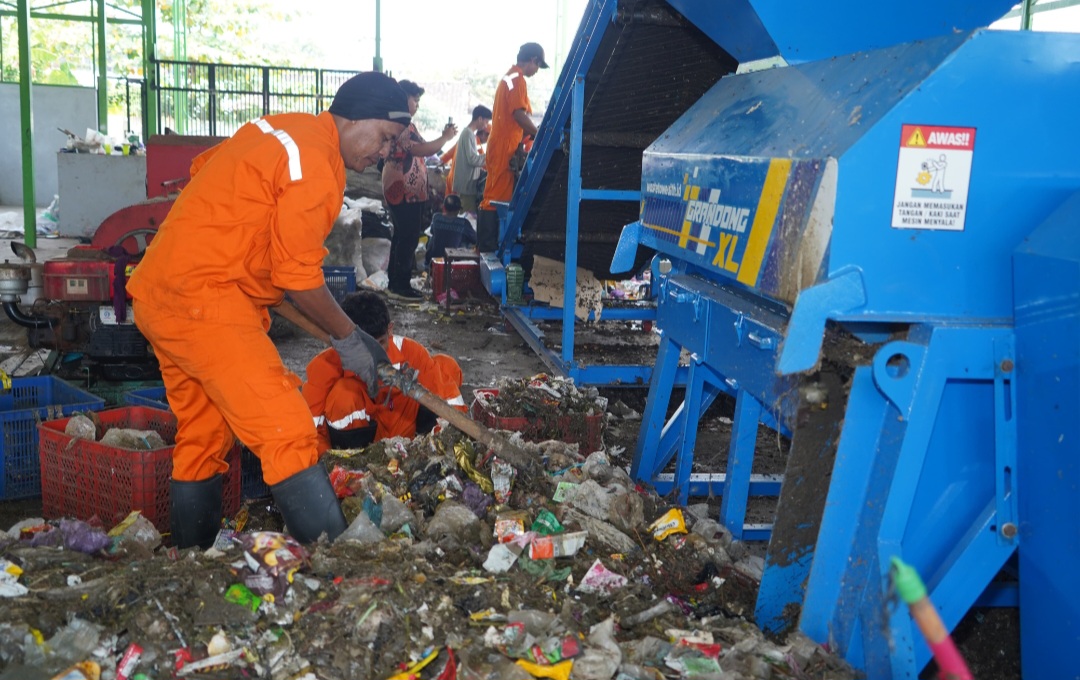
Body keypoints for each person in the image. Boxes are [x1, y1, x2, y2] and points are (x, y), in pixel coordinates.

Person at [126, 72, 412, 549]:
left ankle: (191, 560)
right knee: (285, 426)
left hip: (163, 294)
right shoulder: (316, 163)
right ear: (355, 115)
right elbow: (298, 277)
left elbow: (275, 278)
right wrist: (345, 335)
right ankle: (342, 570)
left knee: (205, 435)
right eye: (385, 138)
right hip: (205, 300)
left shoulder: (284, 130)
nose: (384, 152)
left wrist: (340, 338)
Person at [303, 291, 466, 449]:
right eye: (364, 348)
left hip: (407, 436)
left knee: (446, 366)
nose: (373, 355)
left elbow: (451, 402)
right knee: (344, 394)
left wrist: (444, 445)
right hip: (363, 443)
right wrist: (327, 459)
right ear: (346, 340)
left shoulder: (410, 352)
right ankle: (354, 457)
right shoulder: (326, 363)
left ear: (390, 330)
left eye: (380, 343)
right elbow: (309, 429)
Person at [383, 80, 458, 300]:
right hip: (404, 190)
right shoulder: (403, 126)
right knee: (408, 238)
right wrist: (445, 137)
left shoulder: (401, 124)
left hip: (402, 189)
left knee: (401, 237)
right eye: (415, 99)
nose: (417, 104)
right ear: (403, 98)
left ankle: (395, 283)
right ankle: (400, 286)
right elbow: (423, 149)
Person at [477, 42, 547, 252]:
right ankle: (487, 248)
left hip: (501, 145)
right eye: (538, 66)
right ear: (533, 60)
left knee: (495, 193)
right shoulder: (517, 79)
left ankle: (488, 247)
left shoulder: (508, 78)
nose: (536, 71)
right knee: (495, 198)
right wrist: (540, 134)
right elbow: (518, 114)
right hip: (504, 147)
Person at [451, 105, 493, 212]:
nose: (486, 125)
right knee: (467, 217)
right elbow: (472, 159)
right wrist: (491, 156)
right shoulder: (468, 134)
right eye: (486, 121)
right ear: (480, 119)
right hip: (467, 186)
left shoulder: (469, 134)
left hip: (468, 185)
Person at [425, 194, 477, 269]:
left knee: (432, 238)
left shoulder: (436, 217)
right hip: (452, 261)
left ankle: (427, 264)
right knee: (467, 243)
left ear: (444, 207)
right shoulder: (464, 223)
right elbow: (475, 239)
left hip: (435, 258)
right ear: (458, 210)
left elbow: (432, 231)